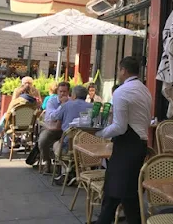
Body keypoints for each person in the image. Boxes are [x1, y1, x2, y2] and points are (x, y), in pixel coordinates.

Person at [95, 56, 152, 224]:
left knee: (115, 192)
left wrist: (100, 133)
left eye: (120, 70)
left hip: (127, 146)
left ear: (123, 70)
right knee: (128, 194)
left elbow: (119, 126)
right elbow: (145, 120)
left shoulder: (121, 91)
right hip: (140, 144)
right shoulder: (145, 90)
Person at [50, 85, 93, 156]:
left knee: (55, 144)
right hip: (86, 148)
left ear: (74, 95)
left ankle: (62, 166)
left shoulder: (66, 105)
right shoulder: (92, 107)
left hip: (68, 146)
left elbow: (56, 121)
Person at [38, 81, 70, 173]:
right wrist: (62, 106)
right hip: (50, 128)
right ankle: (47, 162)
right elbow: (52, 116)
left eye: (64, 92)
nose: (62, 94)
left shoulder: (71, 102)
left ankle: (64, 166)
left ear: (68, 92)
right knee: (43, 140)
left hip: (65, 129)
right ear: (57, 92)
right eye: (60, 91)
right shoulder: (52, 101)